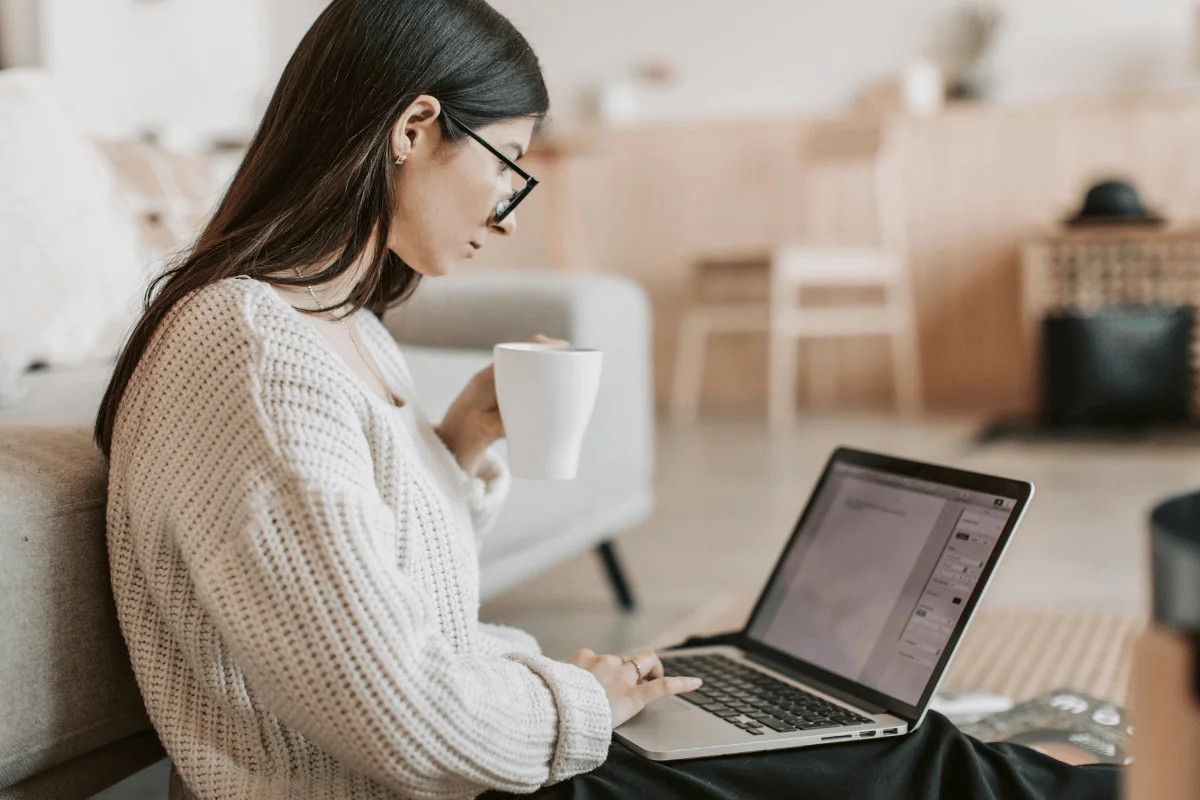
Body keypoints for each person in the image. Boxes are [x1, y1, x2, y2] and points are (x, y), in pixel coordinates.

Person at [95, 1, 1120, 798]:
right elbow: (397, 712)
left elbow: (390, 611)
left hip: (472, 763)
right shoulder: (251, 347)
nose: (507, 212)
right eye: (508, 165)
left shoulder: (343, 328)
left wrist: (450, 450)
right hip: (440, 780)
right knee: (917, 762)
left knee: (887, 742)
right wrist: (581, 700)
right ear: (414, 126)